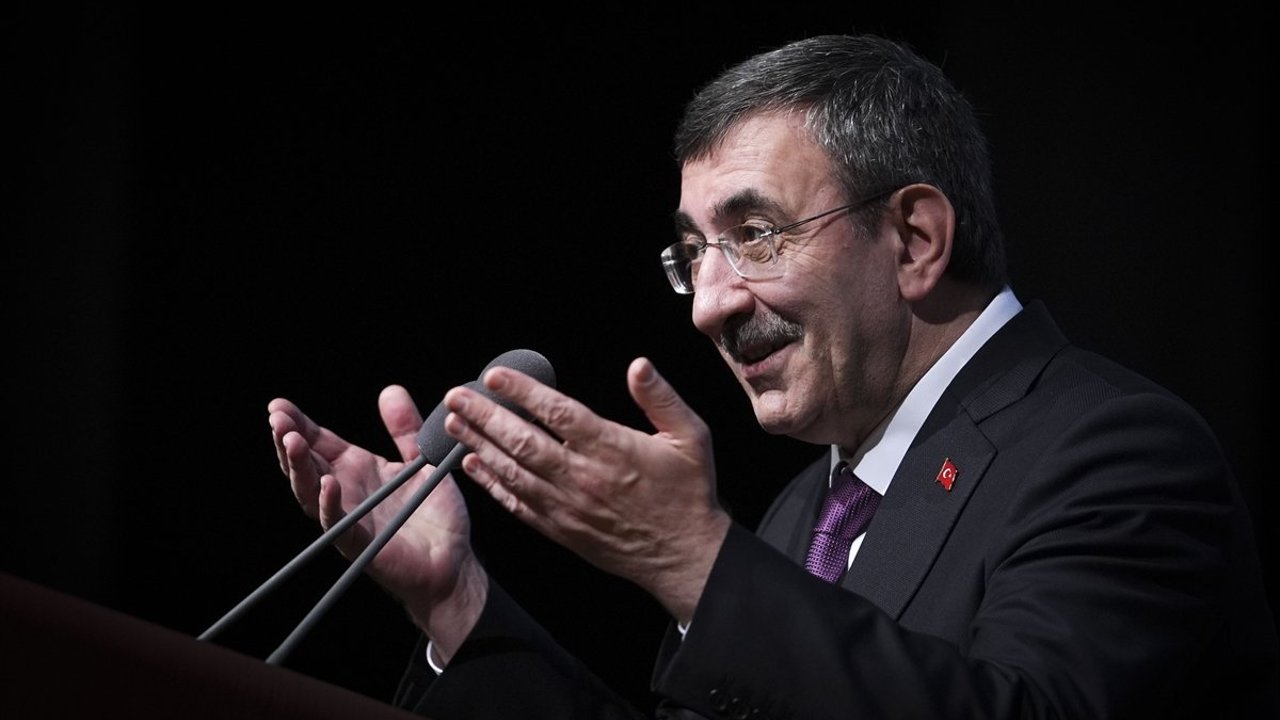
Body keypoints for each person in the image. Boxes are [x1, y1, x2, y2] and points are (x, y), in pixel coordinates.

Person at [268, 33, 1279, 719]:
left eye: (754, 235)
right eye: (692, 255)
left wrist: (697, 564)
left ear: (915, 239)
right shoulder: (807, 511)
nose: (708, 305)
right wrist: (456, 603)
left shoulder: (1115, 452)